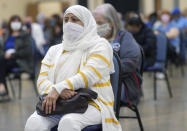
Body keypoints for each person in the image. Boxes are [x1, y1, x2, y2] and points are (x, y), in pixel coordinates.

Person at [25, 5, 122, 131]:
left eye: (75, 19)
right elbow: (41, 81)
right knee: (34, 123)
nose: (69, 23)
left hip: (93, 103)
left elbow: (89, 75)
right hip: (59, 103)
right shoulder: (54, 50)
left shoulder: (100, 45)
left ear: (87, 22)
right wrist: (57, 92)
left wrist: (59, 89)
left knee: (68, 122)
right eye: (66, 20)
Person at [93, 4, 142, 104]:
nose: (96, 26)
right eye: (94, 23)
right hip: (96, 81)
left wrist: (106, 69)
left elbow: (131, 62)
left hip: (122, 84)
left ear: (111, 23)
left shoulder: (125, 37)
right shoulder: (93, 40)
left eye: (100, 23)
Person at [0, 15, 33, 101]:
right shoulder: (6, 34)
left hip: (19, 60)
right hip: (6, 60)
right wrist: (5, 54)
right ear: (10, 23)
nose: (15, 23)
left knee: (1, 62)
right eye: (13, 21)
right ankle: (4, 92)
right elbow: (1, 48)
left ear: (20, 23)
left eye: (17, 21)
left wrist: (12, 55)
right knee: (2, 61)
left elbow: (27, 51)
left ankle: (3, 91)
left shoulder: (25, 34)